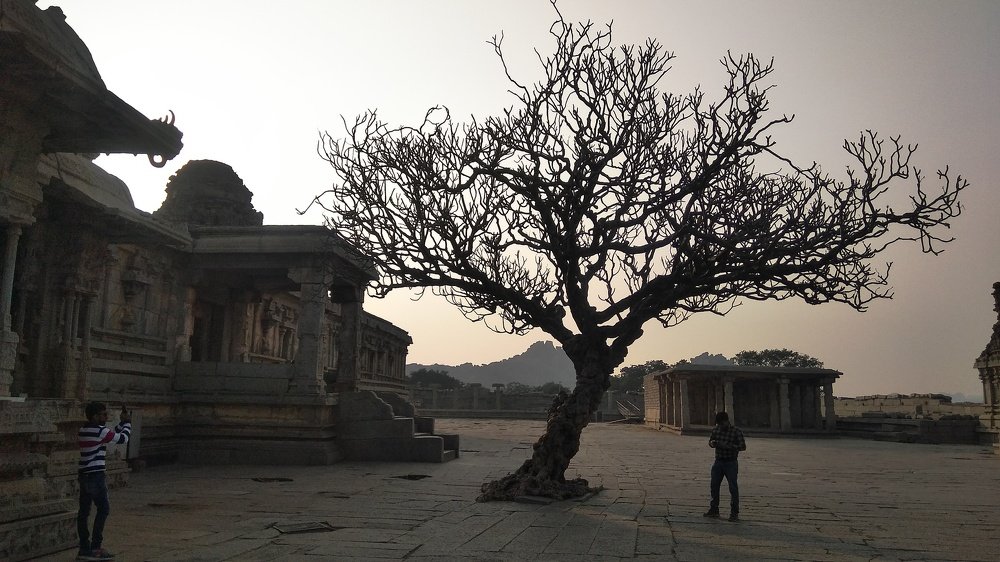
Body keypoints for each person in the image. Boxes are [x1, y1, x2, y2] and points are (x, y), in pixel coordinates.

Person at [77, 402, 131, 561]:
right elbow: (122, 439)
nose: (106, 417)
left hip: (84, 474)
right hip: (95, 475)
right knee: (103, 509)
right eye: (103, 415)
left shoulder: (83, 430)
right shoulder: (100, 431)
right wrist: (127, 422)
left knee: (84, 512)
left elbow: (110, 435)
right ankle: (96, 547)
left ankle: (84, 548)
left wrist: (120, 424)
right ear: (94, 416)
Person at [703, 411, 746, 522]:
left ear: (727, 421)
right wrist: (713, 443)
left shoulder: (736, 431)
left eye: (722, 424)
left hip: (731, 462)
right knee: (714, 485)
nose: (720, 427)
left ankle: (734, 512)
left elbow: (742, 447)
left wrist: (727, 446)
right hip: (718, 462)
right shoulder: (716, 430)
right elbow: (710, 441)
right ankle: (714, 509)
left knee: (733, 487)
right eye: (719, 425)